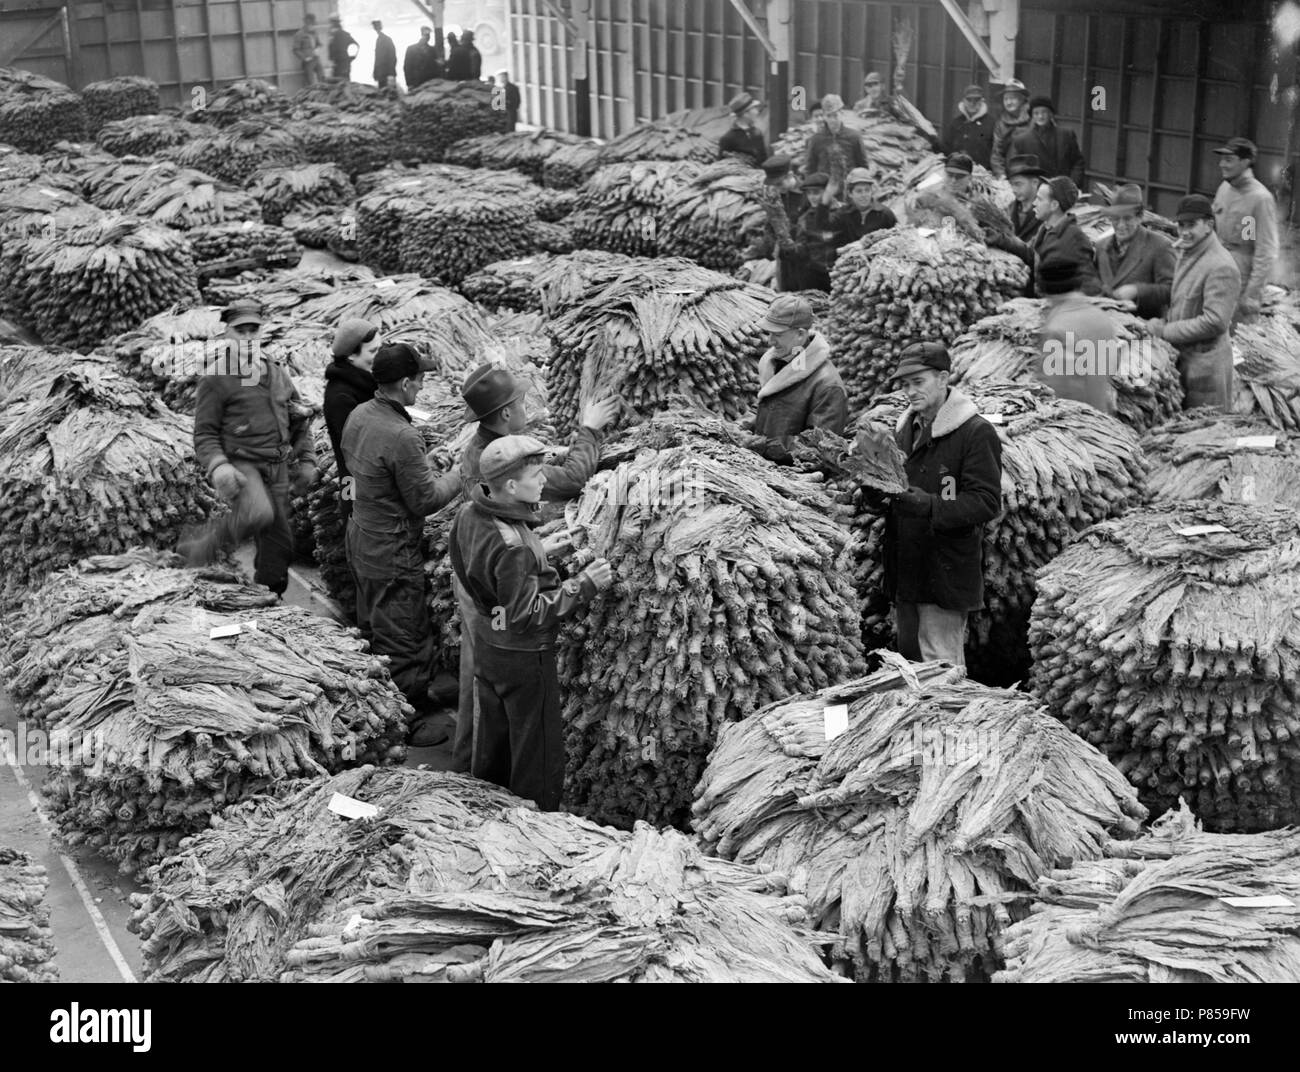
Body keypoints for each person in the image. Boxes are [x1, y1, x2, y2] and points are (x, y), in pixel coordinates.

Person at [448, 366, 619, 773]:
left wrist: (537, 548)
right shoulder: (512, 536)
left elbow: (487, 553)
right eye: (537, 475)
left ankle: (478, 778)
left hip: (487, 603)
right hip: (517, 642)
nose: (541, 481)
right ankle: (517, 802)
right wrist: (583, 584)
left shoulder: (481, 491)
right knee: (532, 742)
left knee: (488, 698)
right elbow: (525, 612)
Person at [342, 344, 462, 746]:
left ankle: (382, 695)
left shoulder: (360, 414)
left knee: (375, 622)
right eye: (421, 380)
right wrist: (461, 474)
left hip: (361, 533)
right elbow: (425, 501)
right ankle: (409, 719)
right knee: (403, 632)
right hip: (391, 548)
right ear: (406, 383)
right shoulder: (402, 434)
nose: (423, 387)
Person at [873, 343, 1002, 669]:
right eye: (905, 384)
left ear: (943, 377)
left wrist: (930, 506)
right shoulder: (904, 428)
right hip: (907, 566)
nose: (910, 391)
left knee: (940, 670)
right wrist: (874, 494)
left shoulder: (975, 432)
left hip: (944, 569)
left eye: (919, 382)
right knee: (909, 664)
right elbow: (893, 488)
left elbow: (986, 501)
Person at [184, 300, 317, 595]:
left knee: (280, 542)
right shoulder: (216, 378)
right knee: (258, 512)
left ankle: (270, 591)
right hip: (242, 463)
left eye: (252, 330)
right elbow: (204, 432)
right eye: (239, 330)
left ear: (260, 333)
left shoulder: (276, 372)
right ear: (227, 334)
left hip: (278, 464)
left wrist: (306, 459)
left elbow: (298, 417)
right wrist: (219, 465)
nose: (247, 337)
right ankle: (201, 547)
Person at [1146, 195, 1242, 411]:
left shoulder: (1221, 266)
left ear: (1208, 225)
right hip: (1187, 360)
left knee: (1205, 430)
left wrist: (1166, 331)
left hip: (1206, 369)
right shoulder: (1187, 251)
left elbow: (1215, 322)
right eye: (1181, 225)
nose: (1184, 231)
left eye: (1191, 225)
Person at [744, 294, 848, 463]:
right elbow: (774, 410)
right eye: (769, 333)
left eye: (777, 334)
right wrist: (746, 425)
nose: (770, 341)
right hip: (764, 467)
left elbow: (820, 450)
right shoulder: (779, 362)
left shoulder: (828, 386)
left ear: (800, 334)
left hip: (795, 479)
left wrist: (767, 446)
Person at [1036, 258, 1120, 415]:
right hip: (1101, 418)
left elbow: (1056, 390)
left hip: (1075, 424)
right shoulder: (1102, 318)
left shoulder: (1058, 329)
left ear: (1044, 289)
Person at [1212, 137, 1280, 323]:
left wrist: (1251, 294)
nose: (1222, 165)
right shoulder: (1224, 188)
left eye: (1229, 160)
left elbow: (1266, 252)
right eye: (1222, 159)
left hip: (1241, 280)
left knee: (1236, 338)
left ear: (1245, 162)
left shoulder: (1260, 198)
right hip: (1216, 271)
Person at [1000, 176, 1101, 297]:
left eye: (1039, 199)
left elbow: (1086, 287)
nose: (1034, 203)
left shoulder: (1074, 238)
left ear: (1054, 205)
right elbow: (1030, 253)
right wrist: (1002, 240)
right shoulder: (1046, 228)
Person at [323, 318, 380, 526]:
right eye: (373, 352)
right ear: (351, 356)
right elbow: (356, 453)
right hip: (354, 484)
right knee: (353, 521)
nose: (378, 357)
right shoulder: (341, 397)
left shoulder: (363, 383)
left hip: (360, 485)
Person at [1094, 183, 1175, 318]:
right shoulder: (1101, 247)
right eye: (1115, 218)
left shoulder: (1159, 246)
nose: (1120, 225)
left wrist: (1137, 290)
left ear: (1140, 217)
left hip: (1143, 331)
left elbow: (1172, 290)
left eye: (1127, 218)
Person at [745, 154, 803, 291]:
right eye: (774, 185)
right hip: (784, 257)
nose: (777, 188)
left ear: (790, 175)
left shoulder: (809, 193)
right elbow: (771, 225)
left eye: (779, 183)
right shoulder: (775, 196)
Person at [1009, 97, 1085, 188]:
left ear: (1051, 114)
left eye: (1044, 112)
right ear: (1032, 116)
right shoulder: (1022, 140)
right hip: (1037, 191)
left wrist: (1072, 184)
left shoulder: (1066, 135)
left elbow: (1078, 162)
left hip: (1064, 189)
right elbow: (1018, 169)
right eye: (1036, 113)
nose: (1040, 116)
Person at [805, 94, 867, 199]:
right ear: (824, 116)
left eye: (835, 115)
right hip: (825, 193)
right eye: (829, 116)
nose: (833, 120)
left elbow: (863, 165)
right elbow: (811, 169)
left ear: (841, 113)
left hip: (850, 192)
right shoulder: (816, 140)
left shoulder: (854, 137)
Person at [985, 153, 1046, 257]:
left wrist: (1005, 241)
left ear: (1035, 183)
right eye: (1011, 184)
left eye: (1018, 184)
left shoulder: (1047, 213)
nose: (1014, 190)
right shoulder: (1008, 209)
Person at [791, 171, 840, 292]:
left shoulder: (842, 213)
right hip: (815, 275)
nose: (812, 197)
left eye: (816, 193)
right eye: (809, 193)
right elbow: (801, 247)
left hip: (840, 274)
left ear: (828, 193)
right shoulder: (805, 219)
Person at [833, 167, 897, 246]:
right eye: (859, 191)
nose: (864, 195)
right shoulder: (841, 215)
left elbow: (897, 239)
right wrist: (858, 244)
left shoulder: (885, 215)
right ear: (850, 193)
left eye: (867, 190)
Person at [944, 84, 994, 170]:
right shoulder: (955, 123)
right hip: (958, 170)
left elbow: (996, 153)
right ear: (963, 101)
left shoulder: (992, 123)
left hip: (983, 173)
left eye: (976, 100)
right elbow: (946, 148)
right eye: (969, 100)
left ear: (982, 101)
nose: (972, 103)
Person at [989, 78, 1030, 178]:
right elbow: (997, 154)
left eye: (1013, 98)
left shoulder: (1034, 119)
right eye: (1006, 99)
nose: (1009, 102)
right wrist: (1002, 176)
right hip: (1010, 175)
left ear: (1023, 99)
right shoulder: (1000, 124)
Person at [718, 92, 767, 167]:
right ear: (745, 113)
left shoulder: (757, 133)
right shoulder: (727, 139)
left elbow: (763, 160)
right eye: (754, 109)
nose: (757, 112)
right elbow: (720, 166)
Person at [293, 14, 324, 87]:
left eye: (313, 25)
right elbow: (295, 49)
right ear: (306, 24)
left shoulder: (315, 33)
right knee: (311, 84)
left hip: (317, 59)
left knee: (322, 80)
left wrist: (318, 49)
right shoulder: (299, 34)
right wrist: (305, 58)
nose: (313, 26)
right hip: (308, 62)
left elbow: (319, 44)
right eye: (311, 25)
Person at [328, 16, 359, 81]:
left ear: (334, 24)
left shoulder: (334, 35)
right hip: (345, 62)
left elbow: (332, 49)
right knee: (346, 82)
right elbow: (356, 45)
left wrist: (332, 59)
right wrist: (352, 57)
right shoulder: (345, 34)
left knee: (340, 83)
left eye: (332, 23)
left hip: (339, 63)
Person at [372, 20, 397, 89]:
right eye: (375, 27)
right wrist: (375, 73)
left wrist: (391, 74)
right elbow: (377, 59)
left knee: (390, 95)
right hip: (382, 74)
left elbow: (392, 57)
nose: (376, 28)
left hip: (386, 74)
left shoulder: (386, 39)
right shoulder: (379, 39)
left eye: (377, 26)